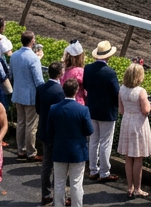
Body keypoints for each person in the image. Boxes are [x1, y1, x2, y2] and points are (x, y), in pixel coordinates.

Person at [44, 78, 91, 207]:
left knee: (59, 182)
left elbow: (49, 131)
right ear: (76, 91)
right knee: (76, 183)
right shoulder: (83, 110)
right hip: (77, 152)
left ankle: (58, 204)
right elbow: (89, 130)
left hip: (59, 150)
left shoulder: (54, 109)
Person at [82, 39, 120, 183]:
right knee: (105, 142)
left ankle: (93, 169)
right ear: (108, 56)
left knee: (93, 141)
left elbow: (85, 86)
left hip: (92, 108)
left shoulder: (88, 68)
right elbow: (116, 92)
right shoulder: (110, 72)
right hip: (107, 112)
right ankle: (104, 172)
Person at [118, 62, 151, 198]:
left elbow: (121, 110)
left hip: (127, 121)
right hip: (138, 123)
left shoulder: (121, 89)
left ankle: (129, 187)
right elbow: (145, 111)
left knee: (128, 157)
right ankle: (138, 188)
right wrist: (150, 105)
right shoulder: (140, 91)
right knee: (138, 157)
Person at [10, 30, 43, 160]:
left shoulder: (14, 55)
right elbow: (39, 81)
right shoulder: (34, 58)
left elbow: (11, 75)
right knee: (31, 125)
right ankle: (31, 152)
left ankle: (21, 150)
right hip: (31, 96)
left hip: (18, 94)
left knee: (21, 123)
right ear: (32, 41)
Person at [36, 61, 65, 205]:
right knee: (59, 166)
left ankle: (45, 194)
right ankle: (59, 195)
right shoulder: (60, 92)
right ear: (60, 74)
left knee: (46, 164)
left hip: (43, 130)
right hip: (57, 133)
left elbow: (38, 109)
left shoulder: (41, 88)